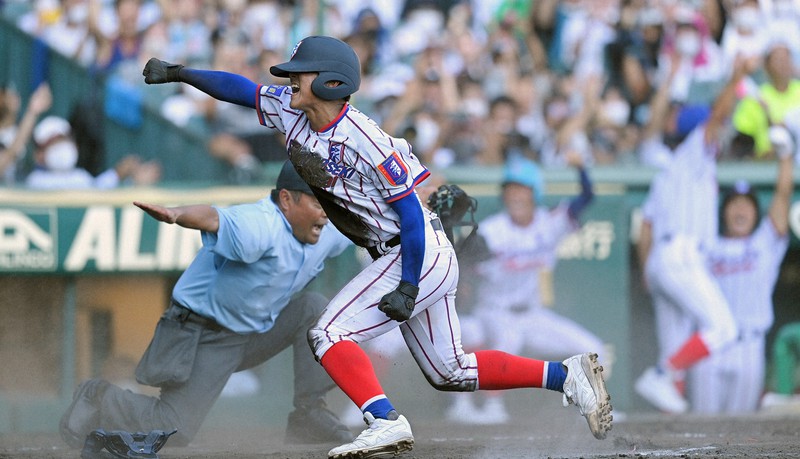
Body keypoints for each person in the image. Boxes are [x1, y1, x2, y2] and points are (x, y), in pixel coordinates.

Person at [141, 35, 612, 459]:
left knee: (327, 333)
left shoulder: (366, 138)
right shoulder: (292, 109)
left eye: (300, 72)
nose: (289, 79)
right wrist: (182, 73)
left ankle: (384, 421)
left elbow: (410, 213)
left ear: (329, 81)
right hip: (406, 252)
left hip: (413, 251)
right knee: (450, 371)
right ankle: (567, 377)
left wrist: (408, 284)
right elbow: (240, 90)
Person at [59, 160, 354, 448]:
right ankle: (99, 395)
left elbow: (371, 225)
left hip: (253, 332)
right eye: (318, 202)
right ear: (287, 199)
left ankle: (309, 413)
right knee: (173, 428)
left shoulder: (325, 231)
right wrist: (177, 214)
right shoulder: (261, 224)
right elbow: (214, 217)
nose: (326, 213)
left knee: (314, 308)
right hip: (202, 332)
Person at [634, 56, 760, 414]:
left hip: (663, 259)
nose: (719, 136)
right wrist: (736, 76)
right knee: (722, 329)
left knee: (674, 347)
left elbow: (646, 224)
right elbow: (717, 116)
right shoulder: (694, 153)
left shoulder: (666, 170)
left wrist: (648, 271)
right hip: (683, 257)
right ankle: (661, 374)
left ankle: (667, 418)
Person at [446, 153, 607, 424]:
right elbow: (460, 263)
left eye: (522, 189)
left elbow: (586, 199)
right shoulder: (492, 231)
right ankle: (491, 408)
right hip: (495, 311)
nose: (515, 196)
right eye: (510, 190)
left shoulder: (549, 222)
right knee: (508, 341)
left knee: (592, 349)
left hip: (533, 315)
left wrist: (581, 168)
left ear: (535, 192)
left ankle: (589, 408)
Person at [688, 132, 794, 414]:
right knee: (702, 427)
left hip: (749, 344)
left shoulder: (763, 244)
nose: (740, 209)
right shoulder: (709, 245)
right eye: (734, 203)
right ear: (724, 212)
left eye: (746, 204)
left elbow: (783, 197)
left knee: (742, 429)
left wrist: (786, 157)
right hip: (710, 345)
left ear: (755, 212)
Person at [25, 115, 160, 189]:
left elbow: (98, 191)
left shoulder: (80, 176)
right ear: (39, 154)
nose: (63, 146)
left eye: (66, 140)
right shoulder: (35, 182)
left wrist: (135, 182)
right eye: (54, 143)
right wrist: (118, 173)